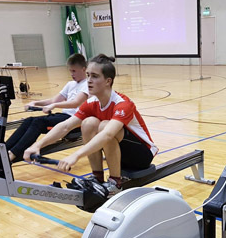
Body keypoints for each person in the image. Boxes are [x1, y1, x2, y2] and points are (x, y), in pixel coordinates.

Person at [24, 54, 158, 196]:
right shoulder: (91, 103)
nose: (89, 81)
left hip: (142, 156)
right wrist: (37, 145)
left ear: (108, 81)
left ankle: (115, 183)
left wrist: (75, 156)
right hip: (119, 155)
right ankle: (97, 176)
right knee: (88, 123)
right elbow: (65, 126)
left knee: (105, 126)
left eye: (94, 76)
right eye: (88, 75)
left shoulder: (123, 104)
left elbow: (108, 134)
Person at [6, 53, 89, 162]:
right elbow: (53, 100)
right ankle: (5, 149)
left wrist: (54, 105)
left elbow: (75, 103)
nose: (72, 74)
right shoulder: (70, 84)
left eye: (74, 71)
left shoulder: (88, 84)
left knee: (38, 123)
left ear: (84, 69)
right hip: (64, 117)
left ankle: (13, 153)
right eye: (70, 71)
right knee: (29, 120)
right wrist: (35, 103)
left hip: (75, 121)